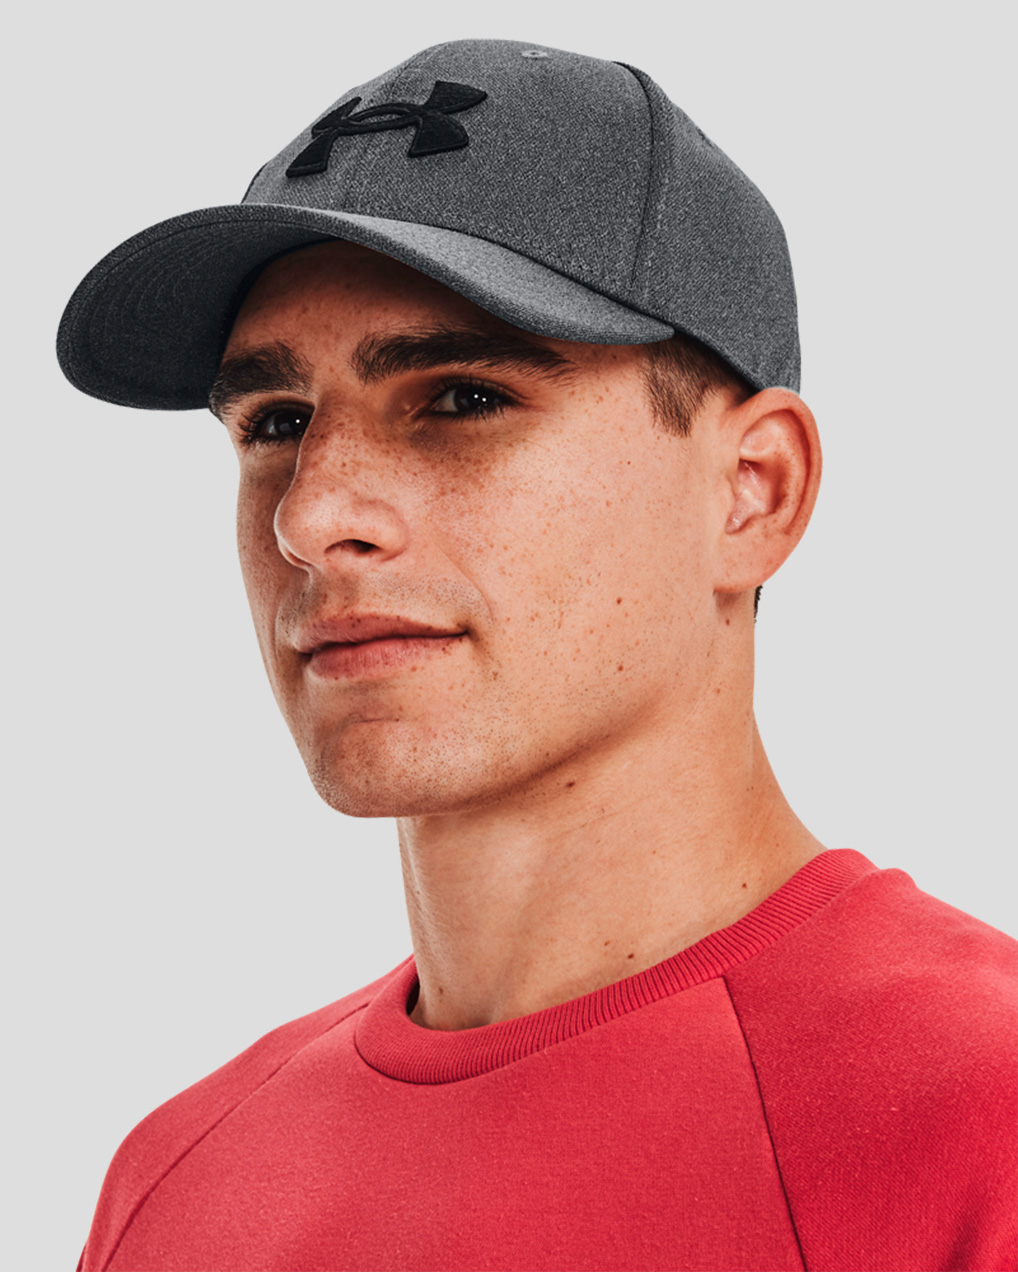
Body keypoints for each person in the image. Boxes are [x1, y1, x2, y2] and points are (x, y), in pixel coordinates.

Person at [58, 37, 1016, 1272]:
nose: (311, 513)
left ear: (752, 492)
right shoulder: (180, 1184)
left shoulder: (981, 1122)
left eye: (462, 398)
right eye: (277, 422)